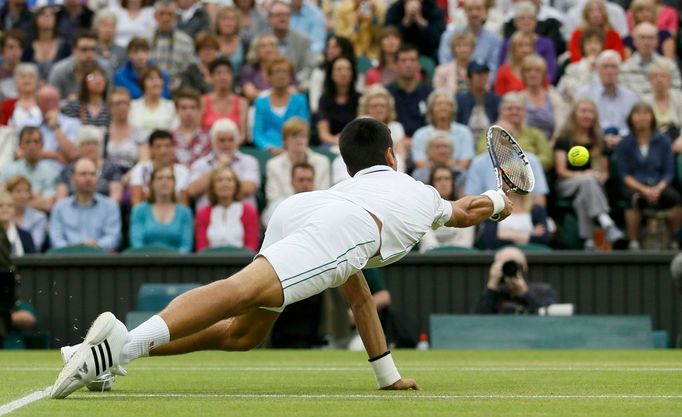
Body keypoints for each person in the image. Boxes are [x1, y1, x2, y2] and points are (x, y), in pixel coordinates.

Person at [51, 117, 514, 399]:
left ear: (351, 163)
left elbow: (359, 298)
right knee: (238, 293)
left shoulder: (347, 185)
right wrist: (497, 200)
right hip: (344, 228)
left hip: (304, 208)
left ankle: (108, 353)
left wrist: (387, 376)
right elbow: (466, 210)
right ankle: (113, 350)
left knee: (243, 334)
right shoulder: (421, 192)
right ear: (392, 155)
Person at [554, 98, 624, 249]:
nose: (587, 115)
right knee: (587, 181)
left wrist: (598, 177)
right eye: (583, 111)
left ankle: (589, 242)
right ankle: (606, 221)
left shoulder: (599, 140)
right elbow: (561, 171)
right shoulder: (564, 139)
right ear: (575, 114)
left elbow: (605, 173)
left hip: (592, 186)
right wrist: (584, 175)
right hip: (566, 185)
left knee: (583, 197)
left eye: (590, 112)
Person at [616, 102, 682, 250]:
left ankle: (674, 240)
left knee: (676, 198)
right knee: (632, 199)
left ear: (652, 117)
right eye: (638, 114)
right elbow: (624, 174)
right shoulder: (625, 144)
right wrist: (644, 190)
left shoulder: (663, 141)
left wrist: (658, 188)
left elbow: (669, 172)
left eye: (645, 114)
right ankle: (633, 242)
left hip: (659, 185)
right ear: (631, 118)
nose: (642, 118)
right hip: (635, 186)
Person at [49, 157, 121, 252]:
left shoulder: (110, 206)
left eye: (92, 174)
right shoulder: (59, 208)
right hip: (67, 260)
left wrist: (96, 245)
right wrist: (70, 248)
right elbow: (55, 239)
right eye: (83, 174)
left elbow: (113, 237)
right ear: (72, 177)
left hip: (100, 260)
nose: (88, 178)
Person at [187, 119, 259, 210]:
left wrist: (214, 186)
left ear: (237, 141)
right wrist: (217, 167)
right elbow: (192, 190)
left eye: (230, 140)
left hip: (243, 217)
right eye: (222, 140)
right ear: (213, 142)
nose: (226, 144)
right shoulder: (200, 164)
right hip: (208, 219)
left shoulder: (249, 161)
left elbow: (249, 188)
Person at [576, 50, 639, 149]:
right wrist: (601, 138)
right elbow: (577, 123)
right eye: (605, 66)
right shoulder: (584, 94)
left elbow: (636, 126)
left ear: (619, 70)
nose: (609, 71)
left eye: (613, 67)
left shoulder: (631, 96)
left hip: (625, 143)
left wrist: (622, 139)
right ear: (598, 70)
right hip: (593, 141)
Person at [476, 93, 553, 171]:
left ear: (524, 112)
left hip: (529, 176)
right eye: (509, 109)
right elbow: (482, 154)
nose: (514, 112)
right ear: (500, 111)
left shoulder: (534, 133)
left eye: (519, 109)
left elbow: (547, 159)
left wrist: (521, 165)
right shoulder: (491, 132)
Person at [265, 117, 330, 206]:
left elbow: (324, 194)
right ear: (285, 140)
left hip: (315, 208)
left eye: (303, 136)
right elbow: (273, 198)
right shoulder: (273, 165)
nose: (299, 141)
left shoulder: (322, 162)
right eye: (294, 136)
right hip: (285, 209)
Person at [129, 165, 194, 253]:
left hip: (177, 264)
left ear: (174, 183)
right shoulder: (139, 210)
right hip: (145, 262)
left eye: (169, 178)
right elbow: (136, 244)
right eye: (160, 178)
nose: (165, 182)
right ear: (152, 183)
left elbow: (186, 246)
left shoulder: (185, 212)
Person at [194, 166, 260, 252]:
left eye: (229, 180)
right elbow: (202, 248)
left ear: (236, 185)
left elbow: (251, 247)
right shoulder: (203, 213)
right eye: (219, 180)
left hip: (243, 262)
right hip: (210, 262)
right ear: (212, 186)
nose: (225, 184)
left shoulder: (248, 211)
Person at [474, 247, 556, 314]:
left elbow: (546, 318)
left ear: (525, 267)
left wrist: (525, 294)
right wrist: (492, 286)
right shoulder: (492, 294)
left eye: (514, 264)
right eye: (504, 265)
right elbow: (478, 319)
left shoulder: (543, 291)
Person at [252, 58, 309, 153]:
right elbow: (257, 134)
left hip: (295, 150)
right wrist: (269, 148)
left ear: (290, 77)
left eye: (285, 72)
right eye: (277, 72)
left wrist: (290, 147)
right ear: (269, 77)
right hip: (267, 152)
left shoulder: (300, 100)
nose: (281, 76)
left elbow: (303, 128)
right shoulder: (260, 102)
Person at [56, 126, 123, 204]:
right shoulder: (69, 170)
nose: (91, 148)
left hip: (104, 213)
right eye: (87, 144)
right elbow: (60, 199)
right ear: (78, 147)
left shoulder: (111, 168)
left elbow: (115, 197)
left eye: (95, 143)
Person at [438, 0, 501, 82]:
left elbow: (493, 70)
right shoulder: (449, 36)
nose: (474, 13)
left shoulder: (493, 39)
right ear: (464, 11)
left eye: (478, 9)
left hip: (482, 86)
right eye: (470, 9)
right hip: (452, 83)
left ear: (486, 12)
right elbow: (444, 63)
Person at [411, 90, 475, 170]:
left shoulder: (464, 132)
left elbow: (464, 164)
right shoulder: (420, 134)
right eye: (438, 104)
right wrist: (450, 164)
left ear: (453, 108)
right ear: (431, 109)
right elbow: (420, 164)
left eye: (447, 104)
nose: (443, 108)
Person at [0, 127, 58, 212]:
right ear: (20, 145)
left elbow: (47, 204)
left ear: (42, 144)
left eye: (36, 141)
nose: (32, 146)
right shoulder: (7, 169)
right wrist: (34, 198)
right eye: (27, 142)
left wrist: (15, 200)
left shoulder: (51, 172)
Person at [498, 2, 558, 83]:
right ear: (515, 22)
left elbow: (551, 71)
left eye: (530, 18)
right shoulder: (507, 43)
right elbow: (502, 67)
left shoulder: (546, 43)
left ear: (536, 21)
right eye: (522, 18)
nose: (526, 21)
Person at [418, 165, 473, 251]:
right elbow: (428, 246)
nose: (443, 183)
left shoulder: (464, 210)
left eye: (447, 179)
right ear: (432, 184)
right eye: (438, 179)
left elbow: (465, 246)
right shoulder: (423, 211)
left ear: (452, 183)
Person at [619, 22, 681, 97]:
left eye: (651, 38)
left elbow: (677, 91)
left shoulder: (669, 65)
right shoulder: (624, 68)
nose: (647, 42)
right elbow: (623, 96)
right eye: (642, 37)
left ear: (657, 41)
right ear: (634, 41)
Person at [129, 130, 190, 206]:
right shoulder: (140, 169)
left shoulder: (183, 171)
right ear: (151, 149)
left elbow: (183, 204)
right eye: (158, 146)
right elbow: (136, 201)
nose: (163, 151)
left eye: (167, 146)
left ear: (173, 148)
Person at [48, 30, 111, 103]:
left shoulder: (105, 69)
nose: (89, 54)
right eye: (84, 49)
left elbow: (110, 101)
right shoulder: (59, 71)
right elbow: (52, 103)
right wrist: (68, 102)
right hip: (66, 113)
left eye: (93, 49)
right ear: (74, 50)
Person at [266, 1, 315, 90]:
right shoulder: (261, 39)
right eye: (278, 15)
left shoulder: (303, 40)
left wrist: (293, 82)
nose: (283, 18)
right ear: (269, 18)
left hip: (296, 86)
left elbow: (308, 67)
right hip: (266, 86)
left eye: (286, 15)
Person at [145, 0, 194, 89]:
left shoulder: (186, 41)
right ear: (155, 16)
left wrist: (177, 85)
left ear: (175, 17)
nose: (166, 18)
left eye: (170, 14)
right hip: (149, 87)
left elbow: (188, 71)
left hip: (178, 88)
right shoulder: (145, 39)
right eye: (162, 14)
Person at [518, 55, 569, 141]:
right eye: (528, 71)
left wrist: (552, 144)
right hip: (524, 145)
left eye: (537, 71)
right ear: (523, 75)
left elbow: (561, 127)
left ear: (543, 74)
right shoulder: (517, 99)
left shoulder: (554, 98)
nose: (533, 74)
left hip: (552, 144)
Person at [387, 44, 432, 138]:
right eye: (403, 60)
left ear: (419, 64)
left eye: (412, 60)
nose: (408, 64)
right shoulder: (387, 94)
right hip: (394, 143)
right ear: (395, 65)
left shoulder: (430, 93)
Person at [316, 57, 360, 149]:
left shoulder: (360, 99)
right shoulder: (324, 100)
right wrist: (338, 141)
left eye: (348, 69)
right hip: (331, 143)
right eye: (339, 69)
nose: (343, 73)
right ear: (331, 74)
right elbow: (323, 134)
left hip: (356, 144)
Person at [309, 35, 357, 114]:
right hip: (326, 113)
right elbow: (315, 106)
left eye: (335, 47)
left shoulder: (356, 70)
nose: (330, 51)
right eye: (329, 47)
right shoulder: (319, 72)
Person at [22, 6, 72, 82]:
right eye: (42, 14)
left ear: (55, 19)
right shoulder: (28, 47)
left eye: (51, 14)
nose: (47, 17)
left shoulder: (65, 47)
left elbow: (68, 72)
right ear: (35, 19)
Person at [201, 57, 248, 137]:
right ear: (211, 77)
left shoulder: (242, 103)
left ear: (232, 76)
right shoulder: (202, 101)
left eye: (227, 72)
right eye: (218, 73)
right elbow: (198, 132)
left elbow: (242, 135)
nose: (223, 77)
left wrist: (227, 147)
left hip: (233, 147)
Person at [557, 27, 604, 105]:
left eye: (596, 43)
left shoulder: (608, 67)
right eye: (589, 43)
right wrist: (589, 69)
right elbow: (576, 94)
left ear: (601, 45)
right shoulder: (572, 69)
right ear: (583, 46)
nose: (593, 47)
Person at [106, 88, 148, 173]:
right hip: (108, 178)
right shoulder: (103, 133)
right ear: (110, 107)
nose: (122, 107)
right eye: (118, 103)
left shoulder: (139, 133)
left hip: (132, 177)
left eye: (125, 103)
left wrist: (129, 176)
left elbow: (144, 160)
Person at [456, 61, 501, 140]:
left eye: (485, 73)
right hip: (466, 139)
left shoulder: (496, 99)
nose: (483, 77)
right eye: (478, 73)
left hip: (491, 140)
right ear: (469, 77)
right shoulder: (460, 100)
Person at [262, 161, 315, 227]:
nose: (305, 184)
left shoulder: (322, 205)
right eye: (301, 180)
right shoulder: (278, 205)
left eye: (309, 180)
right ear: (292, 182)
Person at [129, 66, 179, 137]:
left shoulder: (171, 106)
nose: (156, 83)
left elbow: (174, 131)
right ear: (143, 83)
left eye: (159, 78)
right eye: (151, 79)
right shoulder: (132, 106)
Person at [494, 31, 547, 96]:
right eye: (520, 45)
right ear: (513, 50)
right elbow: (498, 97)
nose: (525, 50)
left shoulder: (540, 70)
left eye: (528, 45)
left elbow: (545, 94)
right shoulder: (503, 71)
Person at [643, 61, 682, 149]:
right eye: (655, 76)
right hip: (653, 141)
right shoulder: (644, 101)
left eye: (663, 76)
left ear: (670, 80)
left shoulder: (679, 97)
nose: (659, 79)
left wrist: (681, 139)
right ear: (650, 80)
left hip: (676, 138)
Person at [5, 176, 47, 252]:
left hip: (29, 260)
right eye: (18, 191)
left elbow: (35, 245)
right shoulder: (3, 216)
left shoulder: (39, 217)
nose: (23, 196)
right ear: (9, 193)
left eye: (26, 191)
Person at [173, 88, 211, 169]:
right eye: (184, 108)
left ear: (199, 110)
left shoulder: (209, 136)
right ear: (176, 110)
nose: (188, 112)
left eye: (193, 108)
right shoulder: (170, 138)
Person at [239, 34, 280, 103]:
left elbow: (293, 90)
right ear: (256, 51)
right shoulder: (249, 69)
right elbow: (250, 94)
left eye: (272, 45)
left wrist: (262, 93)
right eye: (263, 46)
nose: (268, 49)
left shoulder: (284, 67)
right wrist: (278, 94)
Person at [433, 31, 475, 96]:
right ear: (452, 49)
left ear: (472, 49)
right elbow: (438, 94)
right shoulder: (441, 71)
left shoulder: (479, 71)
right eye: (458, 45)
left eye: (466, 45)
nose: (462, 49)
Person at [0, 190, 35, 256]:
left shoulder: (26, 236)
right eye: (0, 205)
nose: (5, 209)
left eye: (9, 205)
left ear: (14, 210)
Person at [93, 8, 127, 72]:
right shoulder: (91, 49)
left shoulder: (122, 51)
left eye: (112, 26)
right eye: (105, 25)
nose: (109, 30)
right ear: (97, 28)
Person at [0, 30, 25, 101]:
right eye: (11, 47)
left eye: (19, 47)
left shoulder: (30, 72)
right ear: (2, 50)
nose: (15, 51)